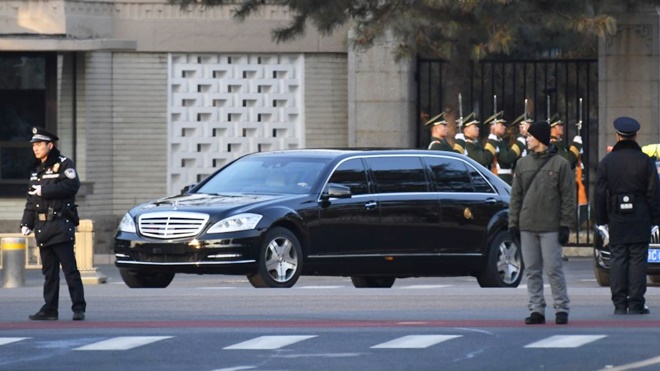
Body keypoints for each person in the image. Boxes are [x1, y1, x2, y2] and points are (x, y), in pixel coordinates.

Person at [509, 121, 575, 325]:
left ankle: (561, 308)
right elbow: (516, 196)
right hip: (527, 225)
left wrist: (565, 224)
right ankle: (536, 308)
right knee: (532, 270)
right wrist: (513, 223)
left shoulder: (560, 164)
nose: (526, 139)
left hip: (550, 227)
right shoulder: (522, 164)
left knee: (554, 269)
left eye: (529, 136)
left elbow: (567, 197)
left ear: (540, 139)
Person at [593, 117, 660, 315]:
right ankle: (637, 302)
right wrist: (655, 220)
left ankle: (620, 303)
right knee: (638, 260)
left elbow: (599, 193)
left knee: (618, 259)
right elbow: (654, 192)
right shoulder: (645, 161)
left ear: (618, 136)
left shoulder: (607, 162)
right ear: (635, 136)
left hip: (616, 215)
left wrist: (601, 220)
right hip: (640, 216)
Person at [21, 127, 86, 321]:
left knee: (69, 270)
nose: (36, 148)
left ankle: (78, 308)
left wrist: (45, 191)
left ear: (51, 145)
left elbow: (71, 186)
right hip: (43, 227)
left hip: (60, 224)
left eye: (39, 144)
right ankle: (50, 309)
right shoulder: (35, 169)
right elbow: (31, 200)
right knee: (49, 273)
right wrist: (26, 222)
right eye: (34, 145)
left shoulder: (64, 163)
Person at [484, 112, 522, 185]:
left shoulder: (501, 141)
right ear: (493, 127)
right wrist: (520, 143)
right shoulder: (491, 142)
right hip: (500, 178)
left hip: (507, 178)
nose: (504, 127)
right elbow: (507, 158)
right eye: (501, 124)